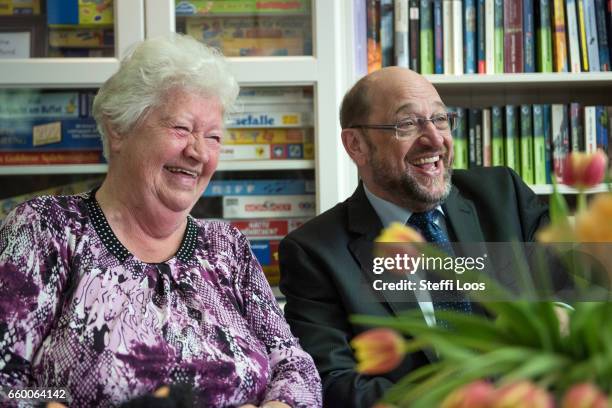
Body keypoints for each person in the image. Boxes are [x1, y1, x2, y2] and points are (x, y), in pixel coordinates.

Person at [0, 34, 321, 408]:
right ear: (119, 129)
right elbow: (8, 383)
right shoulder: (46, 228)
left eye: (213, 136)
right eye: (181, 129)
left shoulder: (226, 247)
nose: (198, 152)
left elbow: (296, 369)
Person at [278, 67, 548, 408]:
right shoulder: (315, 252)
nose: (435, 139)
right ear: (356, 145)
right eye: (407, 124)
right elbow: (334, 382)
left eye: (440, 119)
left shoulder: (501, 195)